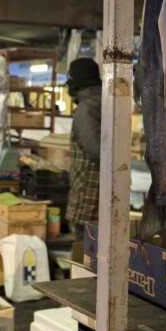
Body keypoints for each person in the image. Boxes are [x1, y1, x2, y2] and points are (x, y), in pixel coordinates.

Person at [64, 57, 103, 231]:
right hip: (104, 188)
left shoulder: (86, 109)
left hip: (89, 188)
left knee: (85, 247)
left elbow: (95, 150)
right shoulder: (106, 102)